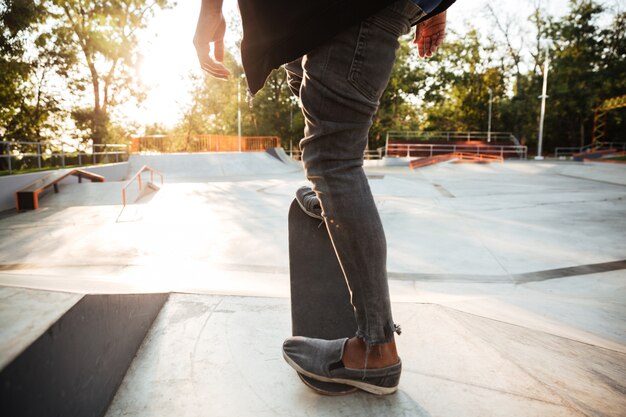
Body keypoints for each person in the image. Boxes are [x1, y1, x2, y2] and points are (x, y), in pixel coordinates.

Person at [194, 0, 455, 395]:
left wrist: (209, 10)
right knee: (300, 80)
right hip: (313, 17)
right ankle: (335, 201)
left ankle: (375, 348)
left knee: (333, 159)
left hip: (347, 9)